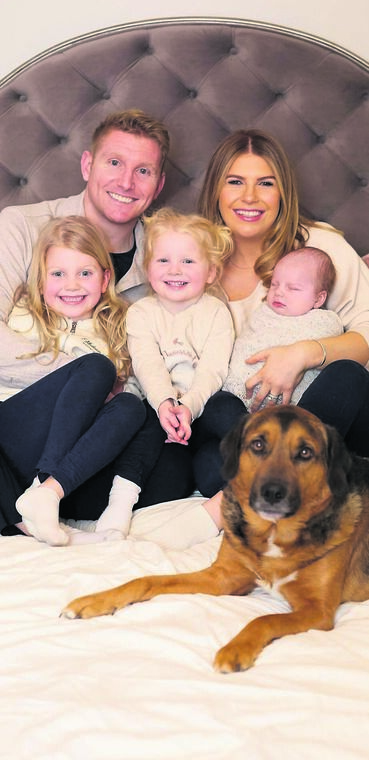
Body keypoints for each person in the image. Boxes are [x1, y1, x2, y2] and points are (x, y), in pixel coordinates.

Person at [0, 109, 200, 516]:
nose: (126, 182)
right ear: (87, 165)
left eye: (143, 171)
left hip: (96, 429)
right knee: (97, 371)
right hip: (21, 415)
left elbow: (179, 351)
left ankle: (45, 497)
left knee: (173, 473)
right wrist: (84, 383)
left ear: (159, 184)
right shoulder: (22, 226)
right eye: (114, 163)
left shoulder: (169, 261)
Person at [197, 128, 369, 468]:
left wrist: (302, 354)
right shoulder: (190, 263)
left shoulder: (320, 248)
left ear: (283, 192)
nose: (249, 197)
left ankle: (289, 469)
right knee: (209, 457)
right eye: (235, 182)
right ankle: (273, 471)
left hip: (325, 413)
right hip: (244, 418)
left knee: (347, 375)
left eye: (265, 183)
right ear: (215, 189)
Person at [0, 216, 146, 545]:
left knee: (131, 406)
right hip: (14, 434)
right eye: (58, 274)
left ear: (105, 278)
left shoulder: (121, 327)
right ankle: (40, 490)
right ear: (40, 281)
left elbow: (135, 385)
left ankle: (47, 494)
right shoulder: (23, 316)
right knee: (96, 368)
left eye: (85, 273)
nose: (72, 285)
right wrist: (85, 376)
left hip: (70, 455)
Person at [118, 207, 246, 548]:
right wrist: (166, 405)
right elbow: (147, 365)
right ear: (148, 268)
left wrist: (188, 406)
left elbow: (213, 369)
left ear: (211, 271)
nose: (175, 270)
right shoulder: (141, 313)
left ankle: (266, 464)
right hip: (162, 420)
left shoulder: (215, 312)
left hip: (204, 412)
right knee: (184, 480)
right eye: (163, 261)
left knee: (227, 408)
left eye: (188, 261)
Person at [224, 247, 343, 409]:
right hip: (236, 392)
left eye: (293, 288)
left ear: (318, 299)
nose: (279, 292)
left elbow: (334, 348)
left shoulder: (323, 321)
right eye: (274, 284)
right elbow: (245, 343)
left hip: (288, 403)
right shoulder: (263, 312)